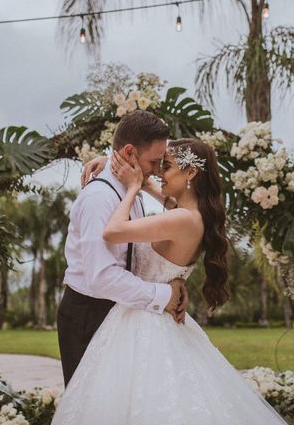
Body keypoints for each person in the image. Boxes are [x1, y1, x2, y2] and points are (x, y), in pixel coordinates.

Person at [52, 137, 287, 424]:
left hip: (144, 323)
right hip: (146, 314)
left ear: (190, 173)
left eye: (168, 166)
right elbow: (156, 187)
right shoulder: (187, 212)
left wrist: (133, 187)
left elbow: (113, 231)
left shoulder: (182, 219)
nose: (161, 172)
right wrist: (113, 165)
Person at [56, 110, 188, 387]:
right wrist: (165, 295)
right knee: (92, 407)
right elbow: (102, 277)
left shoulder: (132, 192)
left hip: (121, 311)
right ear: (129, 152)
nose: (158, 169)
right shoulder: (99, 199)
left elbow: (185, 210)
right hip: (88, 316)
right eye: (154, 161)